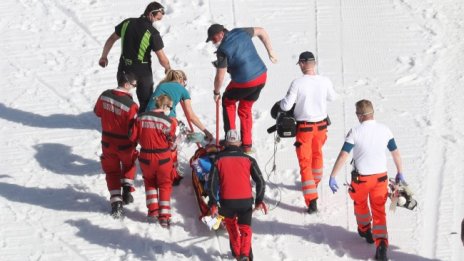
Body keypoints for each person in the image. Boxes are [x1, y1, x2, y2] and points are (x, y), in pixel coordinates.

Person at [328, 99, 405, 261]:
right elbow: (395, 153)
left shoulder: (355, 131)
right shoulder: (385, 130)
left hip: (361, 179)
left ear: (360, 115)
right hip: (381, 179)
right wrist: (400, 172)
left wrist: (333, 176)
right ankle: (382, 245)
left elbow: (344, 155)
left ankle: (365, 230)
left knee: (360, 204)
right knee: (379, 212)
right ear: (372, 113)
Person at [279, 51, 337, 214]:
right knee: (317, 155)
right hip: (321, 127)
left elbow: (286, 106)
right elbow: (332, 97)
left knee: (305, 162)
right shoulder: (325, 81)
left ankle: (312, 201)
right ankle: (315, 182)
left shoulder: (297, 83)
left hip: (304, 128)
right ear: (315, 64)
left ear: (303, 64)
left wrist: (283, 102)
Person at [206, 23, 277, 152]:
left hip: (245, 81)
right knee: (245, 107)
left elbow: (220, 76)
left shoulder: (222, 50)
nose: (214, 42)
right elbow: (261, 30)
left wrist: (216, 92)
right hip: (261, 76)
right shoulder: (240, 31)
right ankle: (246, 144)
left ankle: (231, 142)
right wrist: (270, 51)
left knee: (228, 101)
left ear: (221, 33)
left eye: (214, 39)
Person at [98, 1, 171, 113]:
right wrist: (168, 69)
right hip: (143, 72)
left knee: (123, 101)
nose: (157, 22)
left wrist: (104, 56)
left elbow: (111, 39)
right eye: (158, 18)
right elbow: (162, 58)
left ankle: (122, 125)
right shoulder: (152, 33)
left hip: (124, 68)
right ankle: (140, 127)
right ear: (151, 14)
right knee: (145, 103)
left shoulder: (127, 23)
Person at [208, 130, 267, 261]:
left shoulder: (218, 160)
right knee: (245, 228)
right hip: (245, 201)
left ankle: (237, 253)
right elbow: (261, 181)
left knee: (232, 227)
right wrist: (259, 200)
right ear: (239, 143)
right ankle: (245, 254)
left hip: (227, 202)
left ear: (226, 143)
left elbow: (211, 183)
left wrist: (212, 203)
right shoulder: (249, 159)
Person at [146, 69, 213, 185]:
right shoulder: (182, 90)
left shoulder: (161, 85)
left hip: (148, 119)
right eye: (184, 83)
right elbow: (191, 116)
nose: (184, 85)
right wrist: (206, 131)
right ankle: (173, 176)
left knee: (158, 144)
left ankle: (155, 170)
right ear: (181, 80)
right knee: (172, 146)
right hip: (167, 120)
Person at [94, 72, 139, 219]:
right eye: (134, 85)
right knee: (129, 164)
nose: (134, 88)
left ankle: (116, 203)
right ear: (126, 85)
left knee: (111, 172)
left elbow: (97, 112)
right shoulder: (131, 105)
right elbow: (134, 129)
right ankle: (127, 190)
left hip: (107, 142)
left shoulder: (104, 95)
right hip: (125, 143)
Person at [129, 94, 176, 227]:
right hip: (163, 158)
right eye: (170, 107)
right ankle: (164, 216)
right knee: (165, 185)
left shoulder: (141, 118)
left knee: (149, 183)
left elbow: (133, 136)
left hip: (145, 158)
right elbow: (171, 140)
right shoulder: (168, 121)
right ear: (165, 106)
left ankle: (153, 211)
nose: (170, 110)